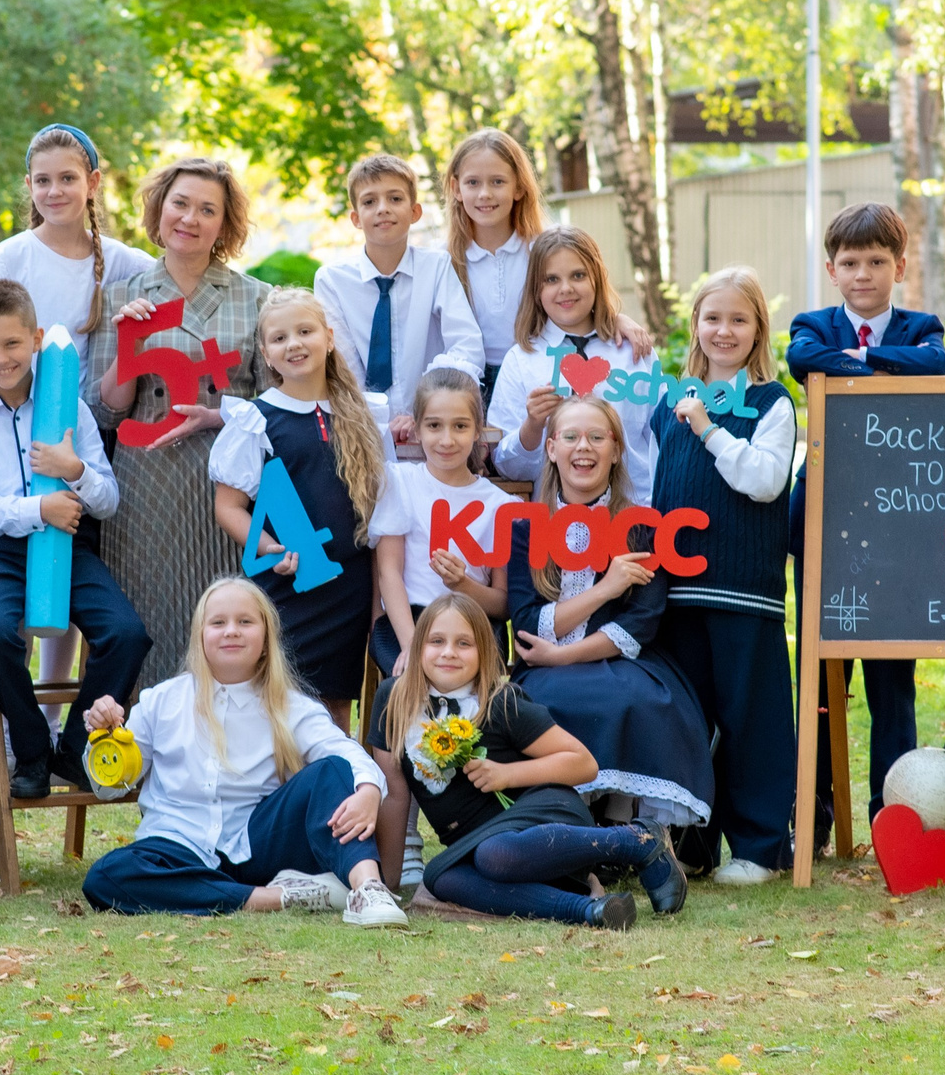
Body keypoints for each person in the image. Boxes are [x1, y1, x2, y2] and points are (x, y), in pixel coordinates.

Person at [78, 577, 410, 925]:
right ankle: (278, 897)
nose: (231, 631)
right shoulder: (161, 701)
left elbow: (345, 751)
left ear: (266, 640)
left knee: (333, 769)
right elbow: (110, 787)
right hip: (175, 846)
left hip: (257, 843)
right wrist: (104, 739)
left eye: (245, 622)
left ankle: (368, 889)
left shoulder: (291, 707)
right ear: (200, 637)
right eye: (218, 622)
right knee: (107, 876)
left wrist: (370, 790)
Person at [0, 279, 152, 799]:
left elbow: (107, 500)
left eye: (12, 344)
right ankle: (31, 747)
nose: (1, 358)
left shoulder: (68, 408)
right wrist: (41, 508)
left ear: (35, 339)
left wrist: (73, 469)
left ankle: (75, 745)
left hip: (68, 545)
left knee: (127, 634)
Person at [784, 200, 945, 846]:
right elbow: (804, 360)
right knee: (821, 679)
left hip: (898, 524)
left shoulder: (921, 325)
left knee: (892, 682)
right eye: (850, 262)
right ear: (831, 268)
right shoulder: (811, 323)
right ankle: (815, 818)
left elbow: (934, 364)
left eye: (876, 261)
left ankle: (893, 818)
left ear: (899, 266)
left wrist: (852, 366)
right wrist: (877, 366)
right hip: (825, 516)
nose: (863, 274)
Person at [368, 594, 680, 927]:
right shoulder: (394, 699)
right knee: (441, 876)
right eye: (436, 641)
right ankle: (590, 911)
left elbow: (583, 763)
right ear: (418, 647)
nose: (448, 652)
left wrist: (506, 775)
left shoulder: (501, 702)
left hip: (544, 818)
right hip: (478, 847)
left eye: (464, 643)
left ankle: (635, 841)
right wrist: (386, 883)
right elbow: (395, 793)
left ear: (485, 652)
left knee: (496, 854)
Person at [89, 158, 269, 693]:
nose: (190, 218)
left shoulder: (258, 298)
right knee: (151, 617)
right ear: (160, 209)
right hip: (148, 485)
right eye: (181, 203)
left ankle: (236, 758)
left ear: (224, 224)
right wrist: (132, 346)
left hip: (229, 484)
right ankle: (140, 758)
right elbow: (105, 410)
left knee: (230, 619)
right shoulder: (122, 296)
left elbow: (275, 405)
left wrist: (219, 415)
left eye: (207, 209)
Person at [504, 395, 713, 839]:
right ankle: (566, 823)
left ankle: (632, 828)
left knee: (634, 699)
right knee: (549, 702)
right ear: (551, 448)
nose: (585, 447)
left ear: (616, 450)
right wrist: (606, 587)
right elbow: (527, 622)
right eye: (572, 437)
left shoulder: (643, 527)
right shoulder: (527, 527)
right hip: (541, 665)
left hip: (621, 662)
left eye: (598, 437)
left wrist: (563, 657)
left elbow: (641, 622)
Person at [652, 267, 798, 885]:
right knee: (687, 717)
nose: (724, 330)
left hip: (743, 590)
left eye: (739, 319)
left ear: (757, 328)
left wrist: (709, 430)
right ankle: (691, 843)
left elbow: (764, 483)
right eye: (713, 318)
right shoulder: (669, 399)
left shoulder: (772, 403)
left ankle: (762, 846)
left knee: (750, 717)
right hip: (675, 588)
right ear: (696, 326)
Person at [209, 288, 393, 714]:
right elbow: (229, 507)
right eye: (279, 338)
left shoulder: (364, 415)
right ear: (266, 354)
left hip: (348, 590)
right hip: (285, 587)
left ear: (329, 338)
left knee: (334, 706)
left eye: (305, 331)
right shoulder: (255, 420)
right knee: (276, 703)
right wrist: (269, 548)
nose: (293, 343)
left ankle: (333, 780)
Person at [443, 129, 651, 408]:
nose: (485, 194)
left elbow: (577, 294)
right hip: (467, 385)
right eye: (473, 183)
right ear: (456, 188)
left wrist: (614, 319)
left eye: (497, 181)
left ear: (519, 187)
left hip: (534, 373)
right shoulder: (444, 259)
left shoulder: (544, 247)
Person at [314, 153, 484, 443]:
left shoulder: (436, 267)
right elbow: (342, 365)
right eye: (369, 202)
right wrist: (378, 422)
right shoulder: (332, 280)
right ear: (355, 218)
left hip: (432, 433)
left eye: (395, 199)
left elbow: (466, 345)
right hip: (364, 433)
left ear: (415, 211)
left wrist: (427, 410)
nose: (383, 209)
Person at [487, 227, 660, 501]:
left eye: (578, 275)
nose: (565, 289)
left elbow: (661, 440)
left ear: (596, 279)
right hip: (555, 524)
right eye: (551, 279)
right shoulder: (522, 360)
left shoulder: (635, 352)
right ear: (536, 289)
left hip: (635, 513)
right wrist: (532, 426)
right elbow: (507, 467)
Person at [371, 368, 515, 676]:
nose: (446, 440)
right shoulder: (399, 482)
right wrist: (412, 645)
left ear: (478, 429)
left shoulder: (501, 506)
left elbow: (502, 606)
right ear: (418, 429)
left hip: (473, 625)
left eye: (460, 426)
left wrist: (463, 585)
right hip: (408, 622)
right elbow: (389, 573)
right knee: (408, 685)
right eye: (434, 426)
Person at [0, 123, 157, 341]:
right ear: (30, 186)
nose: (55, 191)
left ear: (93, 183)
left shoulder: (120, 261)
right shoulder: (8, 259)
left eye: (68, 178)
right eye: (43, 181)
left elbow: (176, 285)